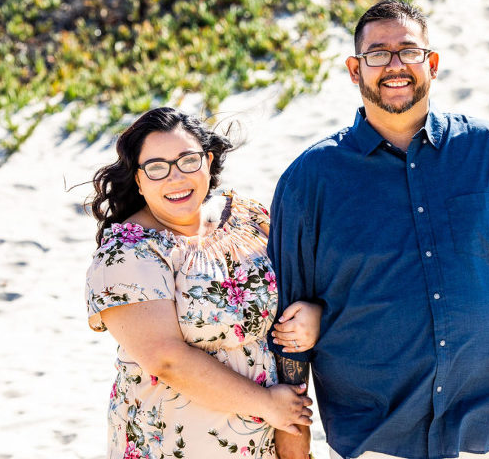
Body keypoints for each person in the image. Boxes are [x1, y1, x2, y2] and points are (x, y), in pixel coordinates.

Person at [267, 0, 489, 459]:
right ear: (354, 70)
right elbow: (286, 315)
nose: (394, 65)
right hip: (376, 435)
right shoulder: (310, 179)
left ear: (432, 63)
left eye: (408, 51)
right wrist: (294, 441)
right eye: (377, 53)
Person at [85, 107, 323, 459]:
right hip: (175, 444)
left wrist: (314, 314)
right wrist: (268, 404)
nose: (175, 178)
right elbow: (166, 359)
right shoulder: (127, 253)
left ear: (208, 161)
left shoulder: (244, 216)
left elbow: (300, 284)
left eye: (187, 160)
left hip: (268, 439)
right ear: (137, 179)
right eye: (156, 167)